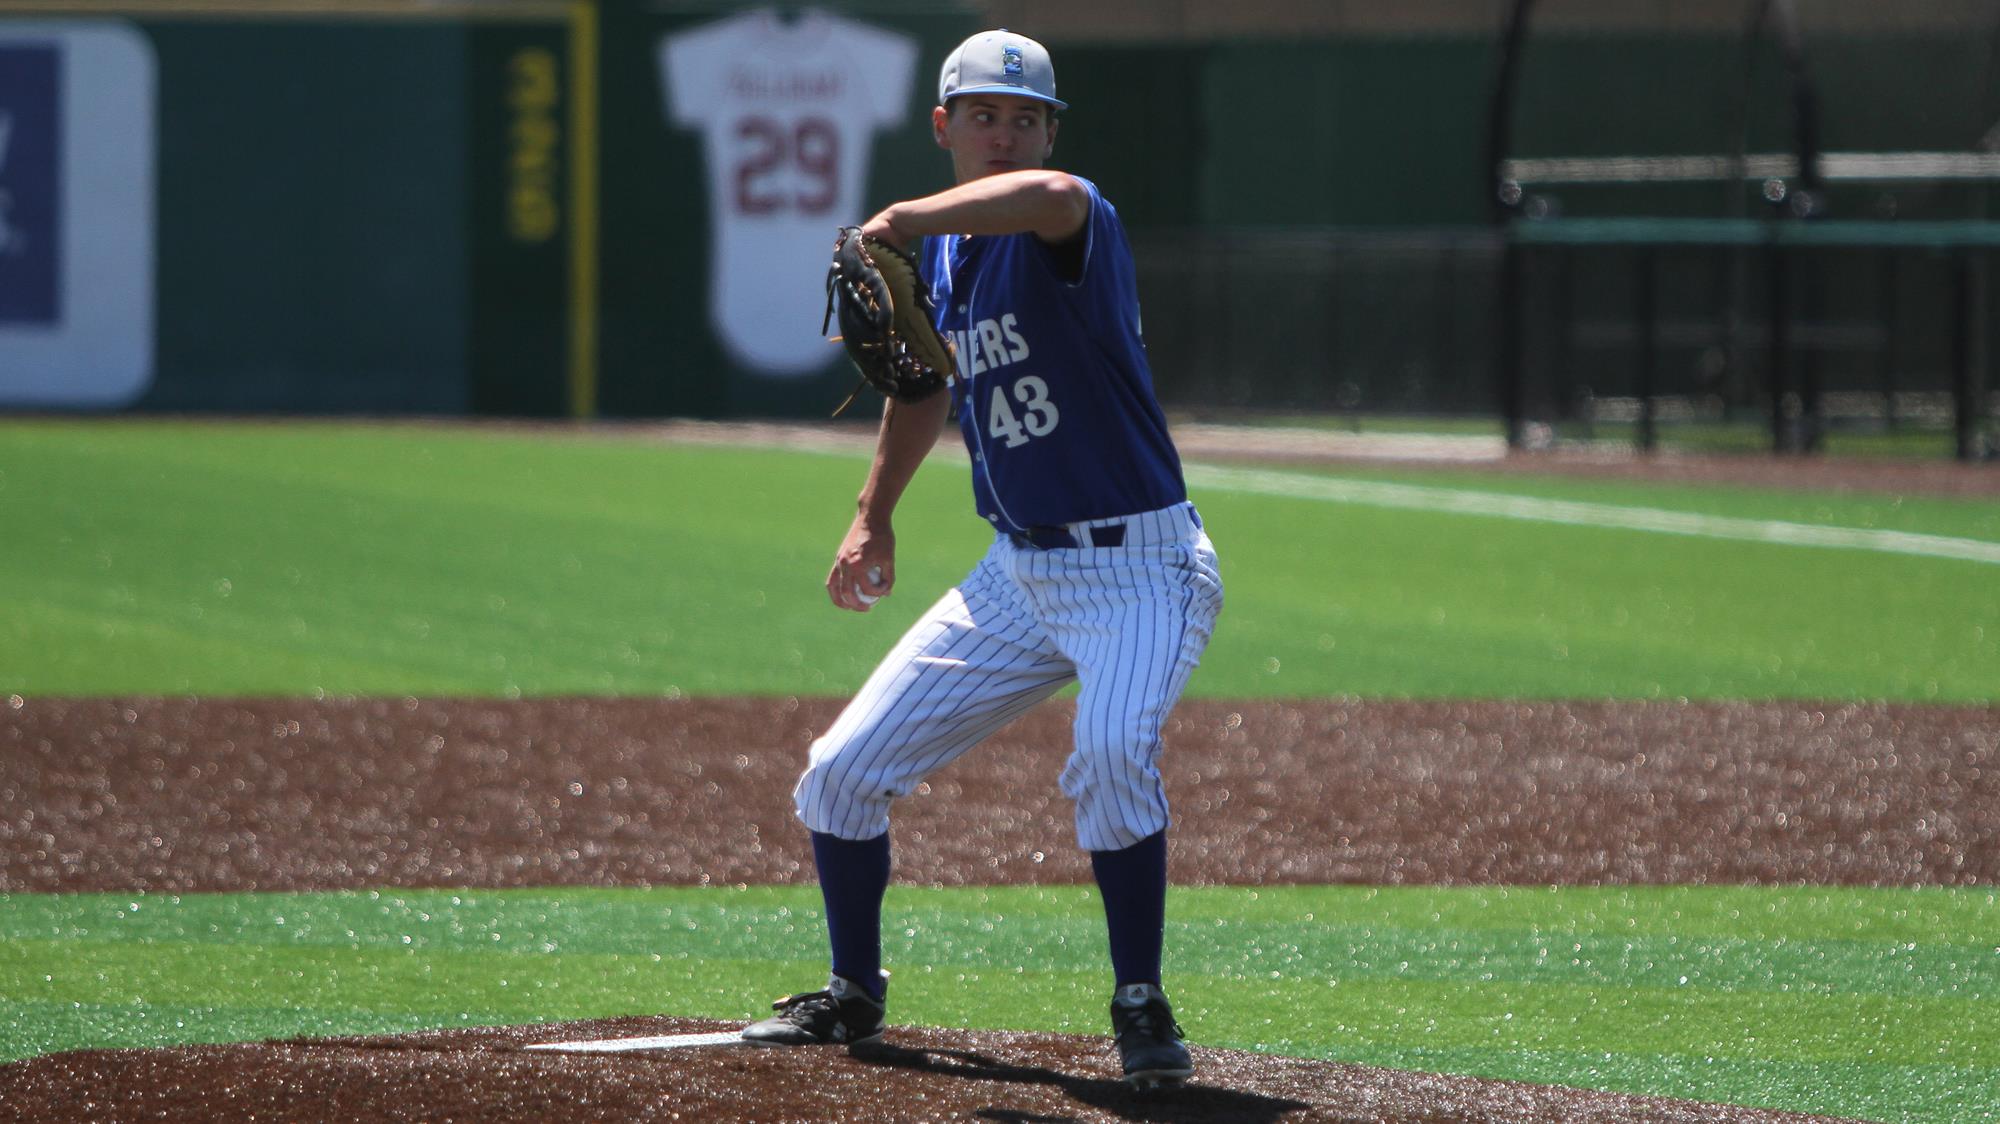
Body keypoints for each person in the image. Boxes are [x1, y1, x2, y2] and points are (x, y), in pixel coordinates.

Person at [741, 28, 1224, 1089]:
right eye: (984, 115)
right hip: (1019, 576)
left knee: (1107, 753)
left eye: (1026, 116)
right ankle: (851, 988)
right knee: (837, 774)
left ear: (1049, 130)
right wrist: (872, 514)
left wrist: (901, 216)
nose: (1006, 134)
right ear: (943, 125)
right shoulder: (948, 259)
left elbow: (1051, 193)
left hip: (1140, 565)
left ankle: (1138, 1000)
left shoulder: (1063, 217)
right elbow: (923, 385)